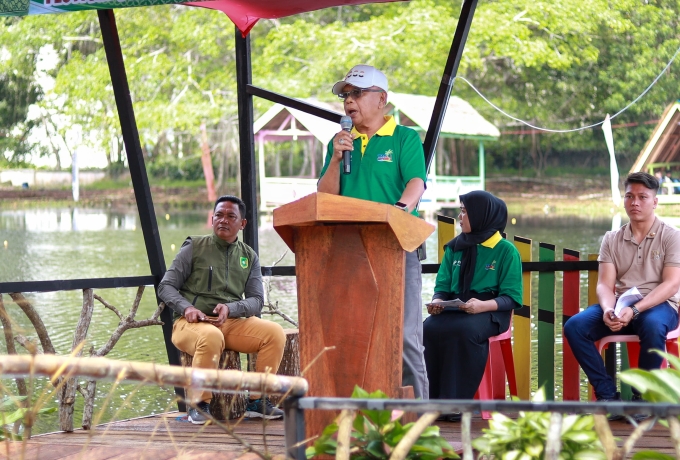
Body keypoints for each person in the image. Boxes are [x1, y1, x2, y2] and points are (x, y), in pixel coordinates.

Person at [318, 64, 429, 399]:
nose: (349, 101)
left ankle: (420, 418)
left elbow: (416, 182)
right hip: (350, 250)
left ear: (381, 99)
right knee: (353, 332)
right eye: (345, 95)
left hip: (397, 245)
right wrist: (337, 159)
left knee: (405, 335)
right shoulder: (339, 142)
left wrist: (400, 209)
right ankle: (360, 412)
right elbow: (325, 196)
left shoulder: (404, 138)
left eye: (357, 93)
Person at [159, 195, 286, 424]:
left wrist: (231, 308)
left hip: (229, 322)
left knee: (274, 333)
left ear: (242, 223)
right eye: (219, 215)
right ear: (212, 218)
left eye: (230, 216)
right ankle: (199, 404)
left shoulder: (248, 256)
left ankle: (257, 401)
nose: (223, 220)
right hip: (191, 324)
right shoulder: (194, 247)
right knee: (210, 336)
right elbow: (166, 286)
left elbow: (257, 300)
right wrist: (186, 308)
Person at [564, 172, 680, 419]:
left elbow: (671, 285)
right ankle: (608, 396)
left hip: (660, 304)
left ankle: (643, 398)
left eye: (642, 197)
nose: (635, 202)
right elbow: (605, 285)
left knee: (652, 324)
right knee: (575, 326)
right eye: (629, 196)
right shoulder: (612, 238)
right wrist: (608, 309)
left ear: (655, 201)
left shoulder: (671, 235)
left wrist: (636, 310)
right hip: (620, 303)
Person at [423, 191, 523, 422]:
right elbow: (443, 286)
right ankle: (432, 400)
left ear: (481, 215)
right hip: (457, 307)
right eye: (461, 210)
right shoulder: (455, 247)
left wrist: (482, 306)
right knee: (429, 328)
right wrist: (438, 301)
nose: (460, 216)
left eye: (464, 211)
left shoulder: (506, 251)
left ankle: (456, 404)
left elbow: (512, 298)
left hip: (491, 311)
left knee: (465, 331)